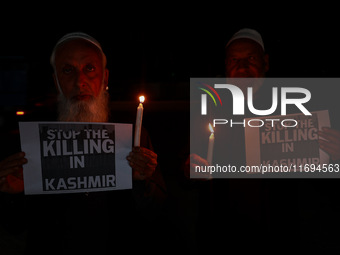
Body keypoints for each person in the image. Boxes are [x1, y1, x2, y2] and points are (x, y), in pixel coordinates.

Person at [0, 32, 166, 254]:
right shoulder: (31, 140)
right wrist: (13, 195)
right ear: (56, 81)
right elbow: (15, 225)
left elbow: (156, 214)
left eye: (89, 68)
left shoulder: (133, 135)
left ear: (105, 78)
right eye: (68, 70)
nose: (80, 81)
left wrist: (142, 182)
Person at [187, 28, 340, 254]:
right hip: (223, 238)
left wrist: (335, 155)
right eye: (234, 60)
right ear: (226, 67)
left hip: (283, 237)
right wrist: (189, 167)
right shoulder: (208, 110)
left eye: (250, 58)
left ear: (265, 63)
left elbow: (321, 180)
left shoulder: (297, 111)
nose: (242, 68)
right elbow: (187, 166)